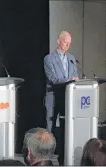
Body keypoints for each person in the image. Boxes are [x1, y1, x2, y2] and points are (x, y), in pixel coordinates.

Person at [44, 31, 78, 165]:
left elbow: (75, 76)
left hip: (67, 97)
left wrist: (74, 80)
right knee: (50, 128)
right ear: (58, 41)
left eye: (69, 43)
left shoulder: (71, 58)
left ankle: (64, 156)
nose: (67, 45)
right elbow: (52, 78)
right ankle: (46, 157)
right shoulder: (49, 58)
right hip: (53, 97)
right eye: (65, 42)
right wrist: (70, 79)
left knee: (66, 126)